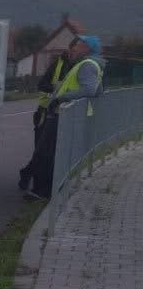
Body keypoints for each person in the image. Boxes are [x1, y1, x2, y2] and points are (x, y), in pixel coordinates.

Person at [26, 34, 105, 201]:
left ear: (86, 48)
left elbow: (90, 90)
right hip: (68, 114)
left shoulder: (87, 65)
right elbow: (98, 90)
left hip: (63, 114)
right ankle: (49, 189)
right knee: (51, 152)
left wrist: (61, 99)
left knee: (45, 153)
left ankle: (42, 192)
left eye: (78, 45)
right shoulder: (91, 64)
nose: (74, 48)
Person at [18, 48, 71, 191]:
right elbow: (42, 84)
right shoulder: (59, 64)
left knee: (48, 151)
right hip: (44, 112)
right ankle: (36, 183)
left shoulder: (77, 64)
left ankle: (30, 174)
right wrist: (57, 91)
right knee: (42, 150)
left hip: (60, 112)